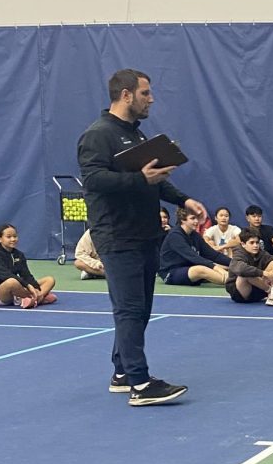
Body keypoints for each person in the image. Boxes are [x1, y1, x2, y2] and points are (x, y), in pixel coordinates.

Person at [77, 69, 204, 404]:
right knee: (130, 309)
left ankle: (122, 372)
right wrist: (140, 180)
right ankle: (140, 384)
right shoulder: (98, 135)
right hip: (118, 236)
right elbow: (93, 180)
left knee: (141, 308)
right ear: (126, 95)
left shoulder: (136, 135)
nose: (151, 99)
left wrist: (184, 200)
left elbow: (154, 180)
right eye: (145, 93)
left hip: (146, 235)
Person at [0, 223, 57, 308]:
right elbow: (6, 275)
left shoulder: (19, 255)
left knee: (50, 280)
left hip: (17, 289)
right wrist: (28, 285)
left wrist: (36, 288)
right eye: (9, 237)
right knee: (11, 282)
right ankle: (38, 298)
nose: (13, 239)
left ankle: (36, 298)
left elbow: (26, 275)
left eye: (15, 236)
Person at [159, 206, 231, 286]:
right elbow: (193, 257)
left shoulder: (195, 235)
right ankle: (234, 282)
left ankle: (236, 277)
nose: (196, 221)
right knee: (201, 270)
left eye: (197, 218)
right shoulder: (175, 235)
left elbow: (214, 255)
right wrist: (217, 268)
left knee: (226, 267)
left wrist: (234, 263)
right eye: (192, 218)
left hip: (189, 269)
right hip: (171, 273)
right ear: (183, 219)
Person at [226, 228, 273, 305]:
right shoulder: (238, 254)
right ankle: (271, 292)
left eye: (257, 242)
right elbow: (241, 269)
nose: (255, 245)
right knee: (245, 273)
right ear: (243, 244)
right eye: (251, 243)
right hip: (241, 293)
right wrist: (264, 273)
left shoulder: (262, 253)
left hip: (258, 290)